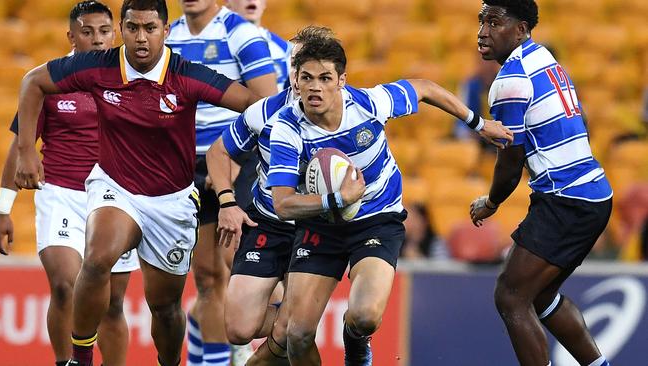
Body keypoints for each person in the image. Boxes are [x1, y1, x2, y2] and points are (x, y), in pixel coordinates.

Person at [14, 0, 261, 365]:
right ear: (122, 29)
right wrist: (26, 151)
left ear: (165, 31)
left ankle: (169, 361)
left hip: (172, 201)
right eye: (133, 28)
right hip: (116, 186)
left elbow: (253, 105)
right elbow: (33, 81)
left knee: (164, 307)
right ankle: (79, 358)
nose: (141, 38)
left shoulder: (187, 75)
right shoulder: (99, 66)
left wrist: (254, 151)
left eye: (150, 28)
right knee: (98, 258)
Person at [266, 36, 512, 365]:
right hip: (320, 226)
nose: (315, 87)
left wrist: (478, 124)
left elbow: (424, 88)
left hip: (376, 218)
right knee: (296, 335)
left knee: (364, 316)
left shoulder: (368, 104)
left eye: (325, 78)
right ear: (295, 80)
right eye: (306, 77)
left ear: (341, 80)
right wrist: (337, 199)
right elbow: (282, 205)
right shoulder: (286, 127)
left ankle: (355, 340)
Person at [469, 1, 613, 366]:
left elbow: (510, 161)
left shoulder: (510, 80)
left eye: (495, 22)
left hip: (567, 198)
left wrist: (491, 202)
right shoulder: (543, 57)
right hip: (593, 193)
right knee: (542, 296)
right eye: (481, 21)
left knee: (511, 296)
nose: (483, 31)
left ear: (520, 29)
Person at [0, 2, 139, 365]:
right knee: (65, 287)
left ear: (115, 33)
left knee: (111, 303)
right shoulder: (49, 80)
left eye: (104, 31)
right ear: (71, 36)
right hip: (60, 194)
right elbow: (20, 145)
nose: (96, 39)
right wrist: (2, 209)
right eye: (87, 31)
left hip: (116, 199)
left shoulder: (135, 80)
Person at [208, 25, 335, 366]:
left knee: (297, 332)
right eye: (294, 64)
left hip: (316, 229)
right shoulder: (264, 111)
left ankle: (292, 319)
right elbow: (218, 153)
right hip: (268, 221)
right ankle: (289, 313)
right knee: (237, 329)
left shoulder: (346, 114)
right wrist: (227, 201)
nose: (301, 73)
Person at [165, 2, 278, 364]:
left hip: (236, 161)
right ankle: (222, 358)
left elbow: (267, 104)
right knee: (209, 277)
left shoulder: (240, 32)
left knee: (240, 263)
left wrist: (226, 158)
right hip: (185, 165)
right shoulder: (169, 35)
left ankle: (261, 347)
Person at [226, 0, 291, 90]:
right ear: (228, 2)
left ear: (264, 3)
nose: (251, 0)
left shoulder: (284, 48)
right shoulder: (214, 45)